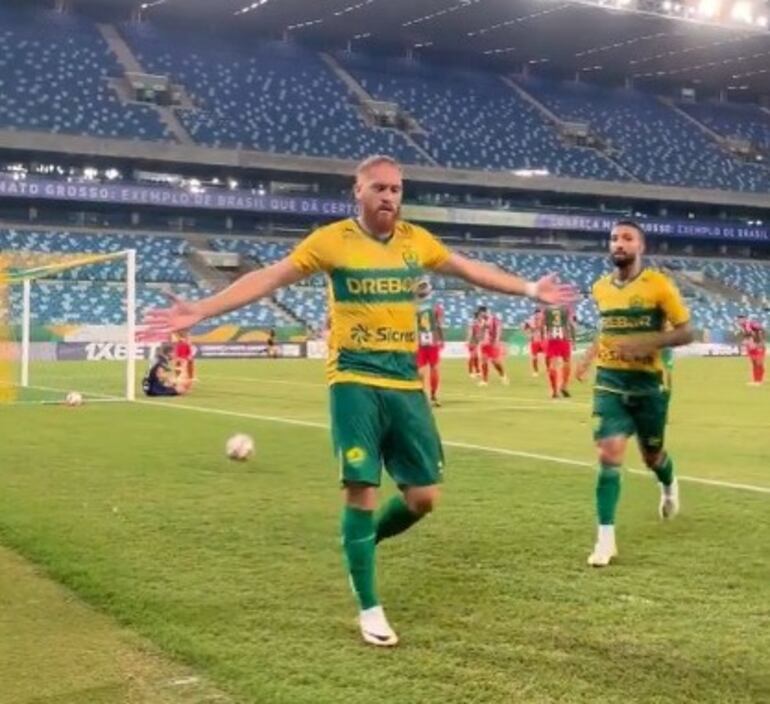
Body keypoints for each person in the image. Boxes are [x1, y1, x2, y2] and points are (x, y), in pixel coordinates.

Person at [142, 154, 574, 646]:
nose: (389, 197)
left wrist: (529, 288)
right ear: (359, 191)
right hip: (353, 379)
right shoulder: (331, 241)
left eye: (395, 189)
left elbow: (466, 268)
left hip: (405, 384)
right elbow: (269, 277)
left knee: (423, 498)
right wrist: (202, 308)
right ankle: (369, 606)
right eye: (379, 188)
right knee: (361, 488)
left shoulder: (417, 240)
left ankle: (360, 543)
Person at [576, 220, 693, 568]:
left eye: (627, 238)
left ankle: (669, 483)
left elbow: (686, 333)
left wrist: (647, 342)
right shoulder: (599, 288)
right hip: (610, 381)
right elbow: (607, 329)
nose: (618, 244)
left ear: (641, 246)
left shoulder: (659, 285)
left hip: (649, 384)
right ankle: (605, 539)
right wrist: (588, 356)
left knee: (652, 456)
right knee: (609, 452)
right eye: (613, 238)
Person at [415, 278, 444, 407]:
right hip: (431, 340)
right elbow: (439, 324)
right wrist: (442, 339)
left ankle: (422, 396)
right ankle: (432, 396)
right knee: (433, 368)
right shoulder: (435, 306)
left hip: (420, 341)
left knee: (421, 369)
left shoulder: (413, 306)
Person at [541, 304, 576, 399]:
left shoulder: (546, 309)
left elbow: (542, 324)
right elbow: (571, 325)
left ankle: (554, 391)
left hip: (552, 339)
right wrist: (573, 339)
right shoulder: (566, 308)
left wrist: (542, 338)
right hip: (564, 338)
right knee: (567, 361)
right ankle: (564, 386)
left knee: (553, 363)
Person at [478, 306, 509, 386]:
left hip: (492, 343)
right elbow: (481, 331)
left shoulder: (494, 319)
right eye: (480, 313)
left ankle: (503, 375)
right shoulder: (482, 320)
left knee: (495, 362)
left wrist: (497, 340)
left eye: (482, 313)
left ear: (485, 312)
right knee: (484, 361)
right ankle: (485, 381)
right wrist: (482, 326)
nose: (481, 315)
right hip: (484, 344)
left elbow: (499, 329)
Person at [736, 315, 765, 386]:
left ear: (745, 319)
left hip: (758, 345)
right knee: (754, 363)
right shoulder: (742, 327)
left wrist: (757, 342)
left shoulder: (750, 324)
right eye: (738, 320)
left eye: (741, 319)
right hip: (751, 346)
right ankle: (756, 380)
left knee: (758, 362)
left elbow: (760, 330)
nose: (739, 321)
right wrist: (746, 341)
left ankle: (759, 381)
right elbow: (747, 336)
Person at [522, 309, 545, 377]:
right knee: (534, 357)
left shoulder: (545, 320)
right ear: (535, 314)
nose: (539, 315)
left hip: (544, 341)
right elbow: (524, 327)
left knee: (548, 356)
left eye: (540, 314)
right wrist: (527, 334)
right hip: (534, 341)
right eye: (537, 314)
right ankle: (535, 371)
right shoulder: (530, 321)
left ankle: (549, 368)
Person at [466, 307, 483, 379]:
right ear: (478, 316)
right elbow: (470, 332)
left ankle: (478, 371)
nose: (481, 317)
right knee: (472, 357)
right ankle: (470, 372)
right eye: (480, 316)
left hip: (475, 342)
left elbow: (479, 333)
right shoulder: (474, 323)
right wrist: (468, 341)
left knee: (476, 357)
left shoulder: (478, 323)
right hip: (472, 342)